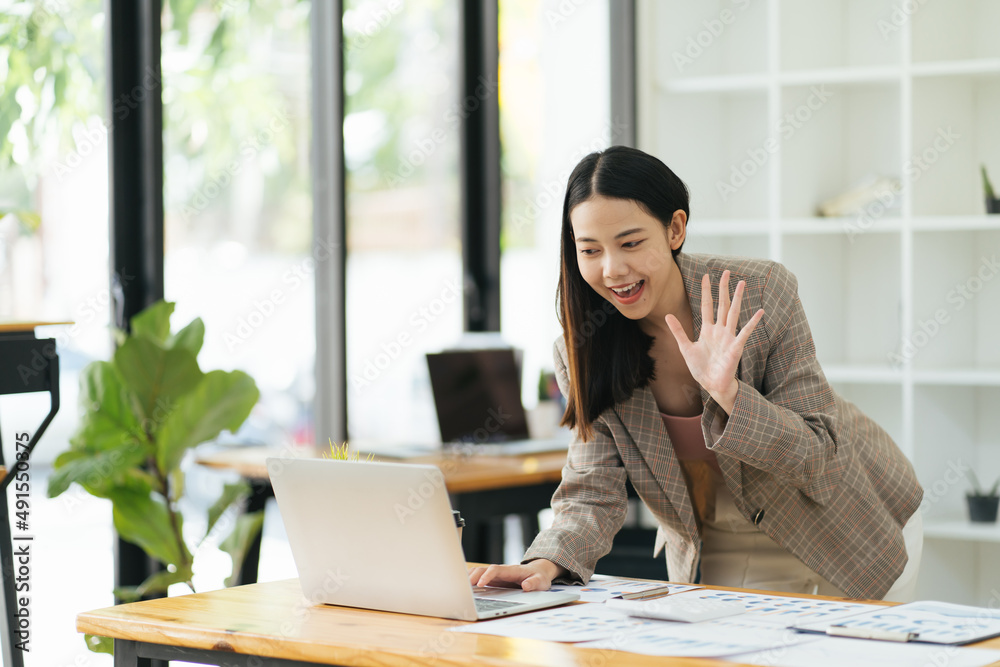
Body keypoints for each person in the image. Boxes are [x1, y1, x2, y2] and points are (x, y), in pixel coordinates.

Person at [469, 146, 924, 601]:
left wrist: (730, 396)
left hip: (845, 521)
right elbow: (592, 489)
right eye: (590, 250)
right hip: (717, 540)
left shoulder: (760, 292)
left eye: (630, 243)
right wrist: (543, 563)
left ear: (675, 228)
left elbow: (819, 457)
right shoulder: (583, 349)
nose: (612, 270)